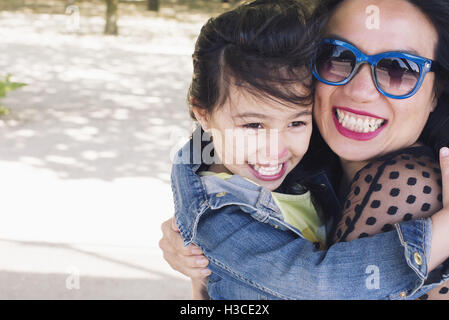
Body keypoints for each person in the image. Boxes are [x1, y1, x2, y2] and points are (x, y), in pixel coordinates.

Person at [160, 0, 449, 299]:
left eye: (399, 68)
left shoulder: (408, 185)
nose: (360, 91)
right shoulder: (298, 168)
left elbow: (322, 285)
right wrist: (200, 254)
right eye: (337, 56)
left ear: (436, 91)